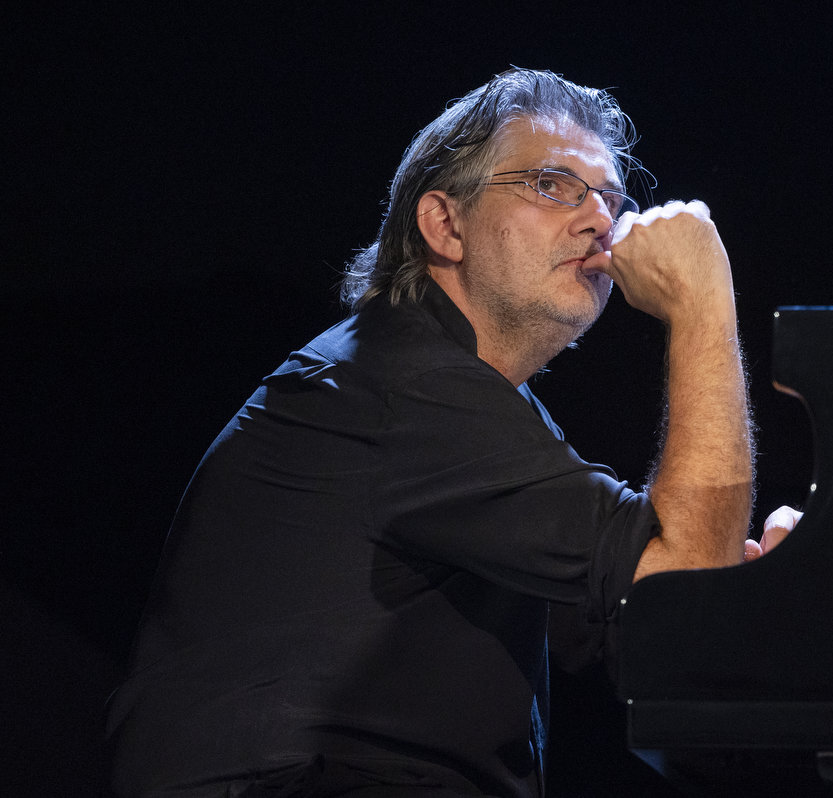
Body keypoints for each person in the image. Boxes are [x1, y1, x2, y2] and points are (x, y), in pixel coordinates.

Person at [106, 68, 790, 797]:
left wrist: (762, 592)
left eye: (610, 198)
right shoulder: (400, 385)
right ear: (445, 224)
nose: (600, 219)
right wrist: (702, 304)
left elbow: (658, 622)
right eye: (552, 185)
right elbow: (685, 580)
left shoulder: (467, 408)